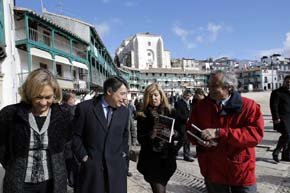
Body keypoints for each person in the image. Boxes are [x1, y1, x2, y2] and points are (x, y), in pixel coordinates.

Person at [186, 70, 264, 193]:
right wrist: (200, 140)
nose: (209, 89)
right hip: (213, 170)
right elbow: (190, 129)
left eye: (213, 86)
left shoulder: (249, 106)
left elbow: (255, 135)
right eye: (209, 85)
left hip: (240, 171)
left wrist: (219, 133)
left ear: (228, 87)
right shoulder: (201, 107)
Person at [0, 68, 72, 193]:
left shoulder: (64, 116)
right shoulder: (10, 114)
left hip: (53, 183)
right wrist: (14, 167)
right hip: (19, 184)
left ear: (55, 94)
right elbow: (2, 148)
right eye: (38, 97)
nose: (43, 103)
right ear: (29, 94)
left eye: (48, 97)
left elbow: (67, 148)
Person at [72, 76, 129, 193]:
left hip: (117, 172)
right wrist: (83, 156)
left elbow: (124, 136)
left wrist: (123, 154)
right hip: (93, 172)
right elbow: (74, 135)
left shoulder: (124, 111)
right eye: (122, 94)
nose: (125, 98)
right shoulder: (85, 108)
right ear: (109, 91)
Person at [136, 83, 182, 193]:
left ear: (161, 96)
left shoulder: (171, 112)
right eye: (150, 96)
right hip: (151, 160)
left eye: (156, 95)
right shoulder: (143, 115)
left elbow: (181, 134)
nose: (153, 98)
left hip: (167, 159)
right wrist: (152, 134)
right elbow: (140, 139)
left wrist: (173, 134)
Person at [270, 75, 290, 162]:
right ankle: (276, 152)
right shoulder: (277, 92)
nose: (289, 84)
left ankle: (285, 155)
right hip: (282, 117)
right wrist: (276, 117)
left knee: (289, 136)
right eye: (287, 82)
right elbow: (273, 106)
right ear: (284, 82)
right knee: (287, 134)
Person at [61, 91, 78, 191]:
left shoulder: (56, 109)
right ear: (69, 100)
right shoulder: (72, 111)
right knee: (71, 166)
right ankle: (71, 183)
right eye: (73, 99)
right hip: (69, 144)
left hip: (60, 145)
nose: (75, 100)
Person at [174, 89, 194, 162]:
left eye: (190, 96)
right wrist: (185, 119)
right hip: (181, 124)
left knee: (186, 139)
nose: (188, 97)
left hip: (188, 124)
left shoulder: (190, 104)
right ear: (184, 95)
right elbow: (178, 114)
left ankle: (183, 154)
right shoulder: (179, 103)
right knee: (184, 139)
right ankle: (181, 153)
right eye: (187, 95)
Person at [123, 98, 137, 177]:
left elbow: (132, 128)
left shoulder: (127, 114)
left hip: (127, 142)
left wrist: (134, 141)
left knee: (127, 157)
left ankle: (126, 170)